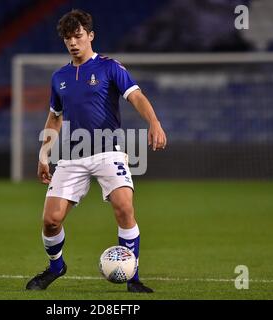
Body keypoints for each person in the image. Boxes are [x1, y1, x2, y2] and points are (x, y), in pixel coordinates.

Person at [25, 9, 167, 293]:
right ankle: (56, 267)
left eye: (78, 36)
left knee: (124, 207)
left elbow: (136, 96)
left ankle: (133, 278)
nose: (73, 42)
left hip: (107, 152)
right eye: (68, 38)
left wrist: (154, 122)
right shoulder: (60, 77)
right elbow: (55, 117)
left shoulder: (110, 67)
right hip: (72, 157)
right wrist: (44, 155)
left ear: (90, 35)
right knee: (51, 221)